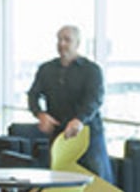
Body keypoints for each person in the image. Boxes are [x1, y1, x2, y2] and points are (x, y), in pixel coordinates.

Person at [28, 23, 111, 181]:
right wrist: (40, 114)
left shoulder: (91, 70)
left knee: (96, 180)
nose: (61, 44)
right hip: (60, 133)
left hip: (87, 133)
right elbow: (33, 95)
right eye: (59, 40)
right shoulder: (46, 69)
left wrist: (79, 119)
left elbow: (94, 99)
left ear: (77, 44)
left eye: (67, 40)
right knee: (59, 178)